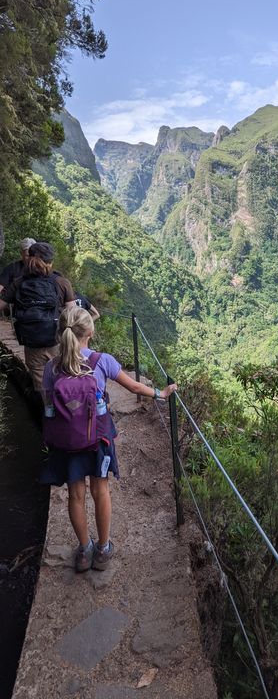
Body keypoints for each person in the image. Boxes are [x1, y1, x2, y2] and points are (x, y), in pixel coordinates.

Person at [40, 306, 177, 572]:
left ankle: (84, 550)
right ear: (90, 332)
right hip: (97, 441)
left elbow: (48, 407)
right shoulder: (102, 361)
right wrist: (161, 393)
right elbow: (134, 387)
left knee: (75, 496)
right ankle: (103, 550)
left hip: (66, 443)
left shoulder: (50, 368)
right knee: (100, 490)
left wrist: (51, 436)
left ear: (61, 333)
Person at [0, 241, 75, 391]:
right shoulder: (61, 282)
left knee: (42, 387)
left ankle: (48, 411)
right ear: (51, 262)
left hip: (31, 343)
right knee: (63, 380)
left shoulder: (18, 283)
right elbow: (73, 314)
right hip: (57, 342)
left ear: (28, 259)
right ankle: (66, 410)